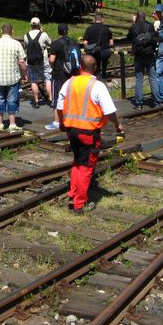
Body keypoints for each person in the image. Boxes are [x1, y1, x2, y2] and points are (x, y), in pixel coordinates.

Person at [57, 55, 124, 213]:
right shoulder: (98, 85)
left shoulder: (69, 82)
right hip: (88, 132)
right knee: (87, 167)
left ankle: (73, 192)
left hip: (71, 130)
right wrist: (117, 124)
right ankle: (80, 204)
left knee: (77, 161)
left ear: (80, 66)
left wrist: (61, 123)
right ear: (95, 68)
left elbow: (60, 106)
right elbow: (109, 111)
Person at [0, 23, 27, 132]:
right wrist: (24, 75)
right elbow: (22, 62)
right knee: (12, 100)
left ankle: (0, 123)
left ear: (1, 31)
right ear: (12, 32)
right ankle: (12, 124)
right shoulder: (16, 44)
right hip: (13, 78)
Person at [46, 23, 78, 130]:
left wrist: (52, 67)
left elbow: (52, 60)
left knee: (57, 96)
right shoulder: (74, 42)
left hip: (60, 73)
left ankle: (56, 121)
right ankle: (73, 117)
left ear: (58, 31)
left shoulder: (56, 44)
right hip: (73, 72)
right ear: (67, 31)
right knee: (72, 95)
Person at [127, 10, 158, 109]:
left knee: (139, 79)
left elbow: (129, 38)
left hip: (139, 55)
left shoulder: (133, 27)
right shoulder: (150, 26)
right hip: (149, 54)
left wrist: (133, 23)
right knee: (152, 78)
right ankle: (155, 101)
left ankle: (139, 103)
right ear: (145, 17)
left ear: (136, 17)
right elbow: (154, 38)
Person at [24, 17, 52, 109]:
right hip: (43, 61)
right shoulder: (43, 34)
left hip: (31, 61)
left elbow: (26, 46)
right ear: (39, 25)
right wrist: (42, 31)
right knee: (47, 79)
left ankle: (36, 102)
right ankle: (51, 99)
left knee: (33, 81)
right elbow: (50, 43)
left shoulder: (26, 35)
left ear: (31, 25)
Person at [82, 13, 113, 79]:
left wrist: (87, 50)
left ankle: (96, 76)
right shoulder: (107, 29)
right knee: (104, 60)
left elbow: (85, 43)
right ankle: (104, 73)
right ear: (102, 20)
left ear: (94, 19)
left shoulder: (89, 29)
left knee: (96, 64)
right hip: (104, 52)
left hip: (94, 52)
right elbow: (111, 43)